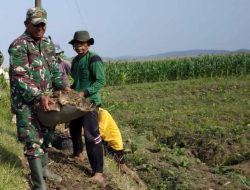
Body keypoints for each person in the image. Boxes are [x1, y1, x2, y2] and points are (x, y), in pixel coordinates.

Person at [8, 7, 69, 190]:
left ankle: (43, 171)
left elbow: (55, 70)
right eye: (36, 24)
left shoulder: (47, 44)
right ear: (26, 24)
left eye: (43, 24)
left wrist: (63, 87)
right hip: (27, 102)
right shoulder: (19, 45)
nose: (40, 27)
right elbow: (20, 76)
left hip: (47, 101)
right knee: (33, 141)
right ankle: (38, 185)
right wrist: (39, 95)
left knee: (47, 136)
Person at [68, 30, 105, 183]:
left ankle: (98, 172)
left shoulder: (94, 59)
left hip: (90, 103)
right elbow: (77, 82)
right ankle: (78, 154)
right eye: (76, 45)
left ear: (88, 44)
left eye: (82, 44)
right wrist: (70, 89)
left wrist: (84, 92)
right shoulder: (75, 61)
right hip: (77, 102)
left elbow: (100, 81)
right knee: (74, 129)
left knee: (91, 136)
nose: (79, 47)